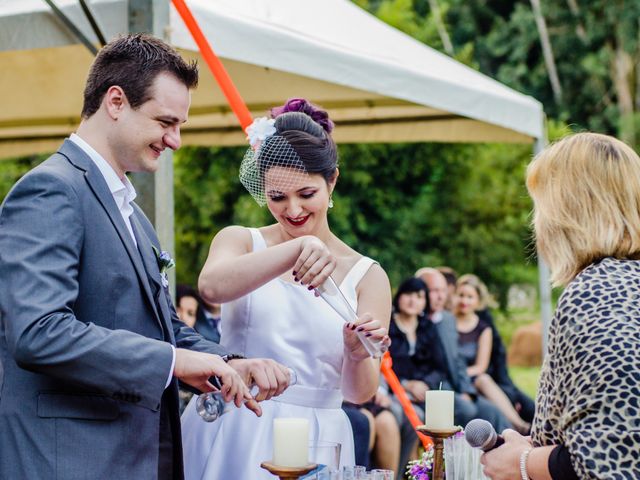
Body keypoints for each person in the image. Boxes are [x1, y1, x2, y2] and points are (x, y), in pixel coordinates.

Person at [0, 34, 289, 480]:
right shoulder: (51, 189)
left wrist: (226, 363)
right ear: (116, 101)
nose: (174, 140)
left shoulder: (132, 211)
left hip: (133, 456)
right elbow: (39, 332)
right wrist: (172, 363)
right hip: (69, 461)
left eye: (180, 126)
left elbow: (161, 326)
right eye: (165, 122)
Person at [180, 98, 392, 479]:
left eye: (306, 194)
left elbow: (359, 395)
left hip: (319, 435)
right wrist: (295, 249)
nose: (293, 210)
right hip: (238, 423)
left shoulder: (367, 275)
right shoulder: (240, 240)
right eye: (278, 197)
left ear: (332, 182)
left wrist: (356, 353)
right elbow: (211, 288)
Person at [481, 132, 640, 480]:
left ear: (567, 211)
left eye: (541, 205)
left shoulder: (601, 292)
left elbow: (613, 456)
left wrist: (522, 464)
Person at [389, 275, 510, 472]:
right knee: (462, 410)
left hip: (427, 387)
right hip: (399, 389)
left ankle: (495, 464)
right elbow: (384, 363)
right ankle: (439, 466)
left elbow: (439, 366)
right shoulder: (389, 325)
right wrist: (407, 383)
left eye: (419, 296)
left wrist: (426, 383)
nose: (413, 300)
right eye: (408, 294)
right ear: (399, 296)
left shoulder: (427, 327)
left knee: (490, 412)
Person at [453, 274, 530, 434]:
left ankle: (518, 424)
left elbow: (481, 366)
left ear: (478, 301)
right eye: (461, 295)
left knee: (484, 379)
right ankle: (518, 425)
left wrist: (462, 374)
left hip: (473, 376)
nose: (464, 301)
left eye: (470, 297)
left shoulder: (484, 329)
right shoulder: (448, 323)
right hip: (451, 377)